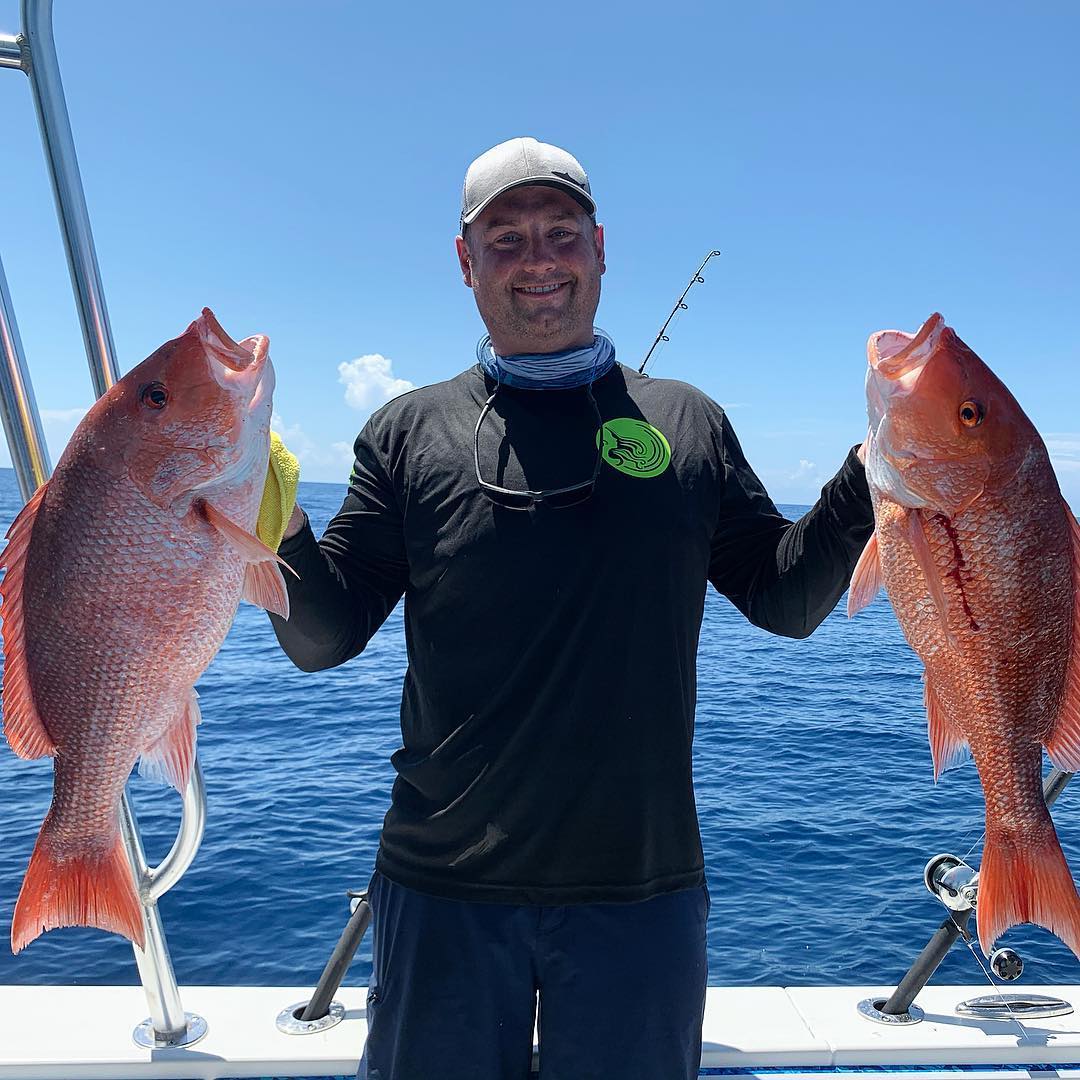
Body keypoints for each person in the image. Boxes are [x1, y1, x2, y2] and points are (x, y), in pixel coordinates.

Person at [268, 137, 874, 1080]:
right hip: (443, 885)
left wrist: (878, 472)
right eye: (505, 239)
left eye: (560, 233)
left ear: (600, 248)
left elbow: (787, 598)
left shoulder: (688, 421)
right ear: (465, 262)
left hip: (641, 885)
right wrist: (272, 517)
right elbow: (324, 635)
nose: (537, 261)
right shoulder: (406, 430)